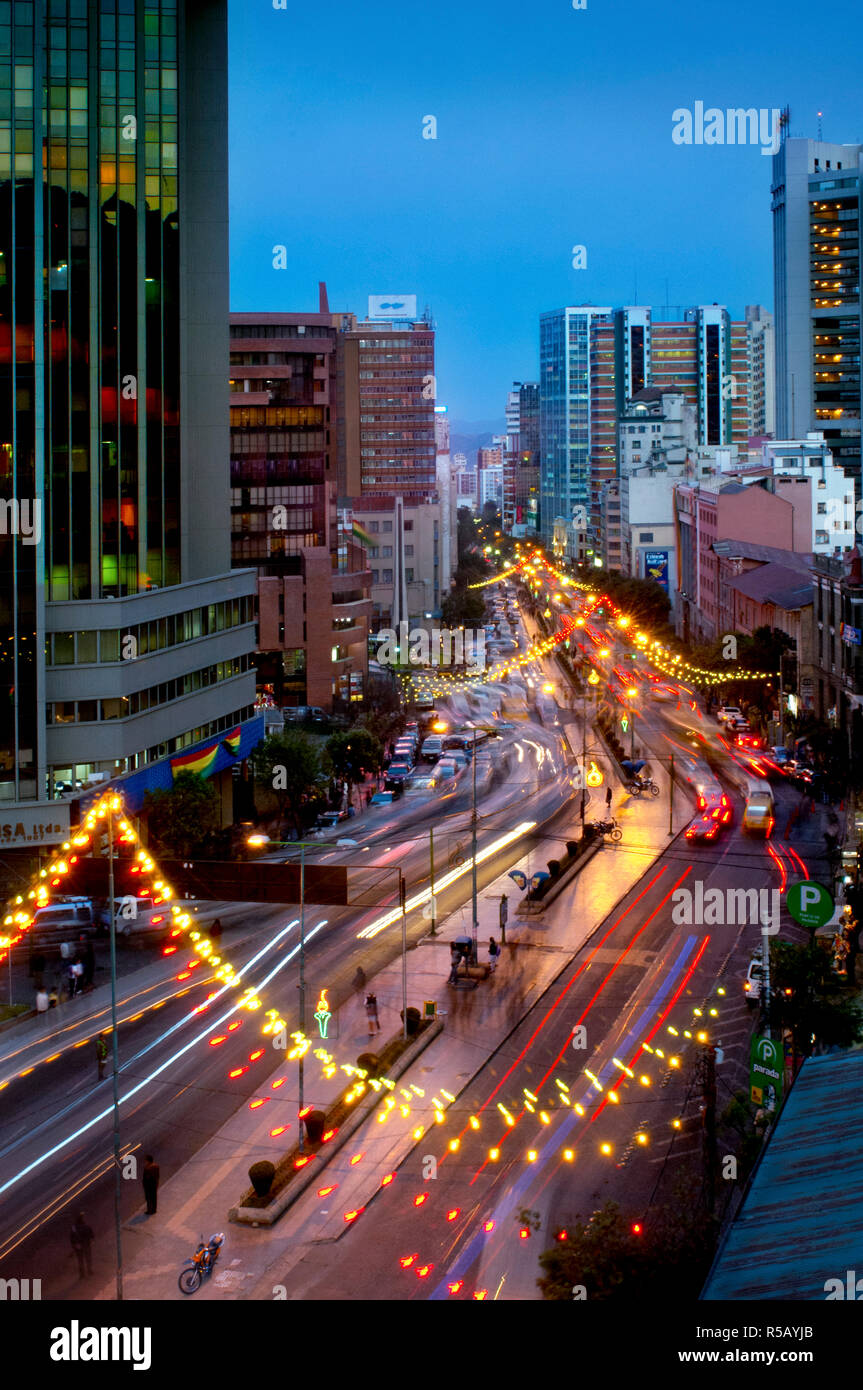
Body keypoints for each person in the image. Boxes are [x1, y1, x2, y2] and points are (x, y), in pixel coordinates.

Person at [70, 1212, 94, 1278]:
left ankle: (82, 1274)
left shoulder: (74, 1228)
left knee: (80, 1260)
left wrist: (74, 1245)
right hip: (86, 1245)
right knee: (88, 1258)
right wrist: (91, 1241)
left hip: (79, 1246)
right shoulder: (86, 1226)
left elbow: (72, 1237)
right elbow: (91, 1234)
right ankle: (89, 1270)